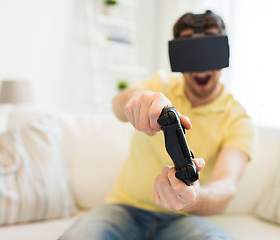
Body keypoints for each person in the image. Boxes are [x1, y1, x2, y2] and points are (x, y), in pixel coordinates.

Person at [60, 10, 255, 240]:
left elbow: (226, 186)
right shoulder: (159, 84)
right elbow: (118, 103)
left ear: (223, 52)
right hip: (123, 210)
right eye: (190, 51)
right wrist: (138, 101)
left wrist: (192, 197)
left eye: (209, 48)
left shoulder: (238, 119)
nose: (201, 63)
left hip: (186, 219)